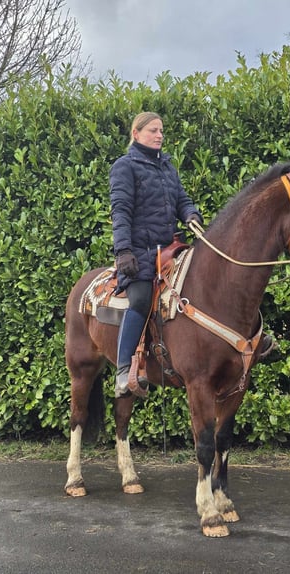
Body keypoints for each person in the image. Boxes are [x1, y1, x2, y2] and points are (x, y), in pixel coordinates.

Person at [109, 112, 203, 398]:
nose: (159, 135)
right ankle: (124, 371)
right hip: (138, 253)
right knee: (139, 298)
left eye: (161, 130)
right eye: (153, 130)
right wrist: (123, 250)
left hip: (170, 248)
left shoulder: (167, 167)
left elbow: (181, 199)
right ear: (136, 134)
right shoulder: (124, 167)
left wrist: (191, 215)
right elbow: (121, 210)